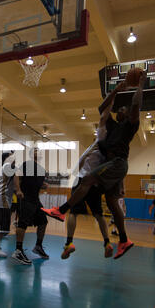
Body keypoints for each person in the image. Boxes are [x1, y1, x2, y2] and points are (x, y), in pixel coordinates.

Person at [42, 71, 147, 260]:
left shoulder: (130, 125)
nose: (122, 110)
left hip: (117, 163)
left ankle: (61, 210)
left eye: (124, 109)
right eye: (120, 109)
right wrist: (117, 89)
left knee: (88, 179)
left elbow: (136, 105)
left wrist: (140, 85)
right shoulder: (111, 127)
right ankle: (123, 240)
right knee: (112, 203)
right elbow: (102, 108)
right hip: (113, 167)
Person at [62, 99, 115, 260]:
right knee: (99, 215)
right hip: (95, 184)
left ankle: (69, 242)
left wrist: (111, 99)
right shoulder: (111, 150)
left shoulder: (98, 142)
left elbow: (103, 117)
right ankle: (107, 242)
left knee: (73, 212)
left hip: (82, 180)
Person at [12, 148, 49, 265]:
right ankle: (18, 250)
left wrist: (44, 185)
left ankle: (38, 246)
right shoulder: (27, 164)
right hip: (25, 197)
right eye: (35, 151)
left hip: (35, 200)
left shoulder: (42, 170)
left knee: (43, 221)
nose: (38, 153)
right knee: (23, 223)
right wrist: (18, 190)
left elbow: (36, 182)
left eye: (39, 152)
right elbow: (17, 176)